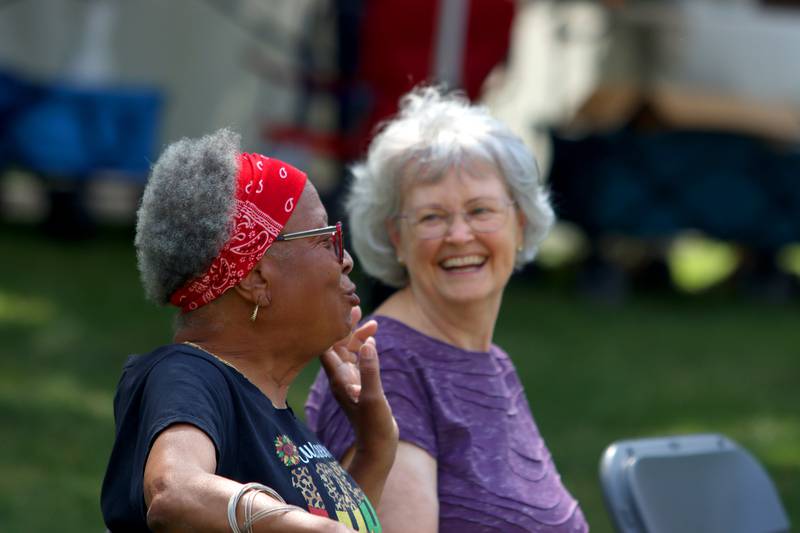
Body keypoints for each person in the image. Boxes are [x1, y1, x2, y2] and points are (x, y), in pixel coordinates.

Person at [306, 88, 589, 532]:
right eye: (432, 217)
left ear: (520, 223)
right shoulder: (387, 368)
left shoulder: (492, 363)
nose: (459, 235)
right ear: (396, 238)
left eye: (480, 210)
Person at [101, 128, 398, 532]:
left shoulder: (274, 417)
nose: (344, 259)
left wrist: (376, 445)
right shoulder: (187, 374)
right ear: (254, 277)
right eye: (324, 238)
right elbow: (174, 489)